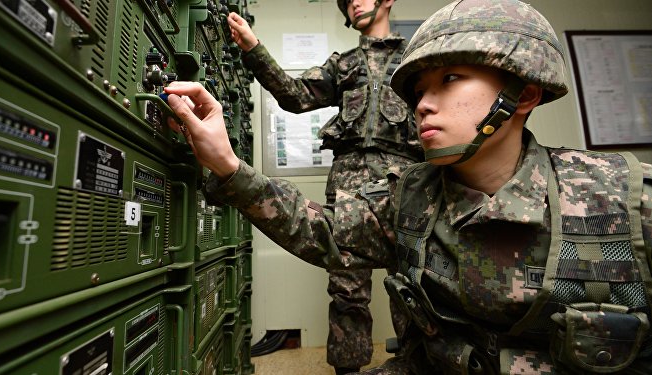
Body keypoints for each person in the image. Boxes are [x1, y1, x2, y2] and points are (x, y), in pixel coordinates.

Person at [166, 0, 652, 373]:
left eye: (451, 79)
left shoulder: (626, 202)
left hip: (408, 172)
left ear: (523, 94)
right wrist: (229, 162)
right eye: (418, 90)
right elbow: (324, 229)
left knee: (412, 303)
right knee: (355, 294)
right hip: (367, 186)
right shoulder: (405, 189)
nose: (422, 104)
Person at [226, 1, 421, 373]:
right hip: (349, 184)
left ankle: (419, 364)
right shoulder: (343, 65)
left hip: (408, 182)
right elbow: (295, 95)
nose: (355, 3)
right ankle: (347, 369)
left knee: (411, 284)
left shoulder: (417, 57)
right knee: (347, 289)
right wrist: (253, 48)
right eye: (347, 1)